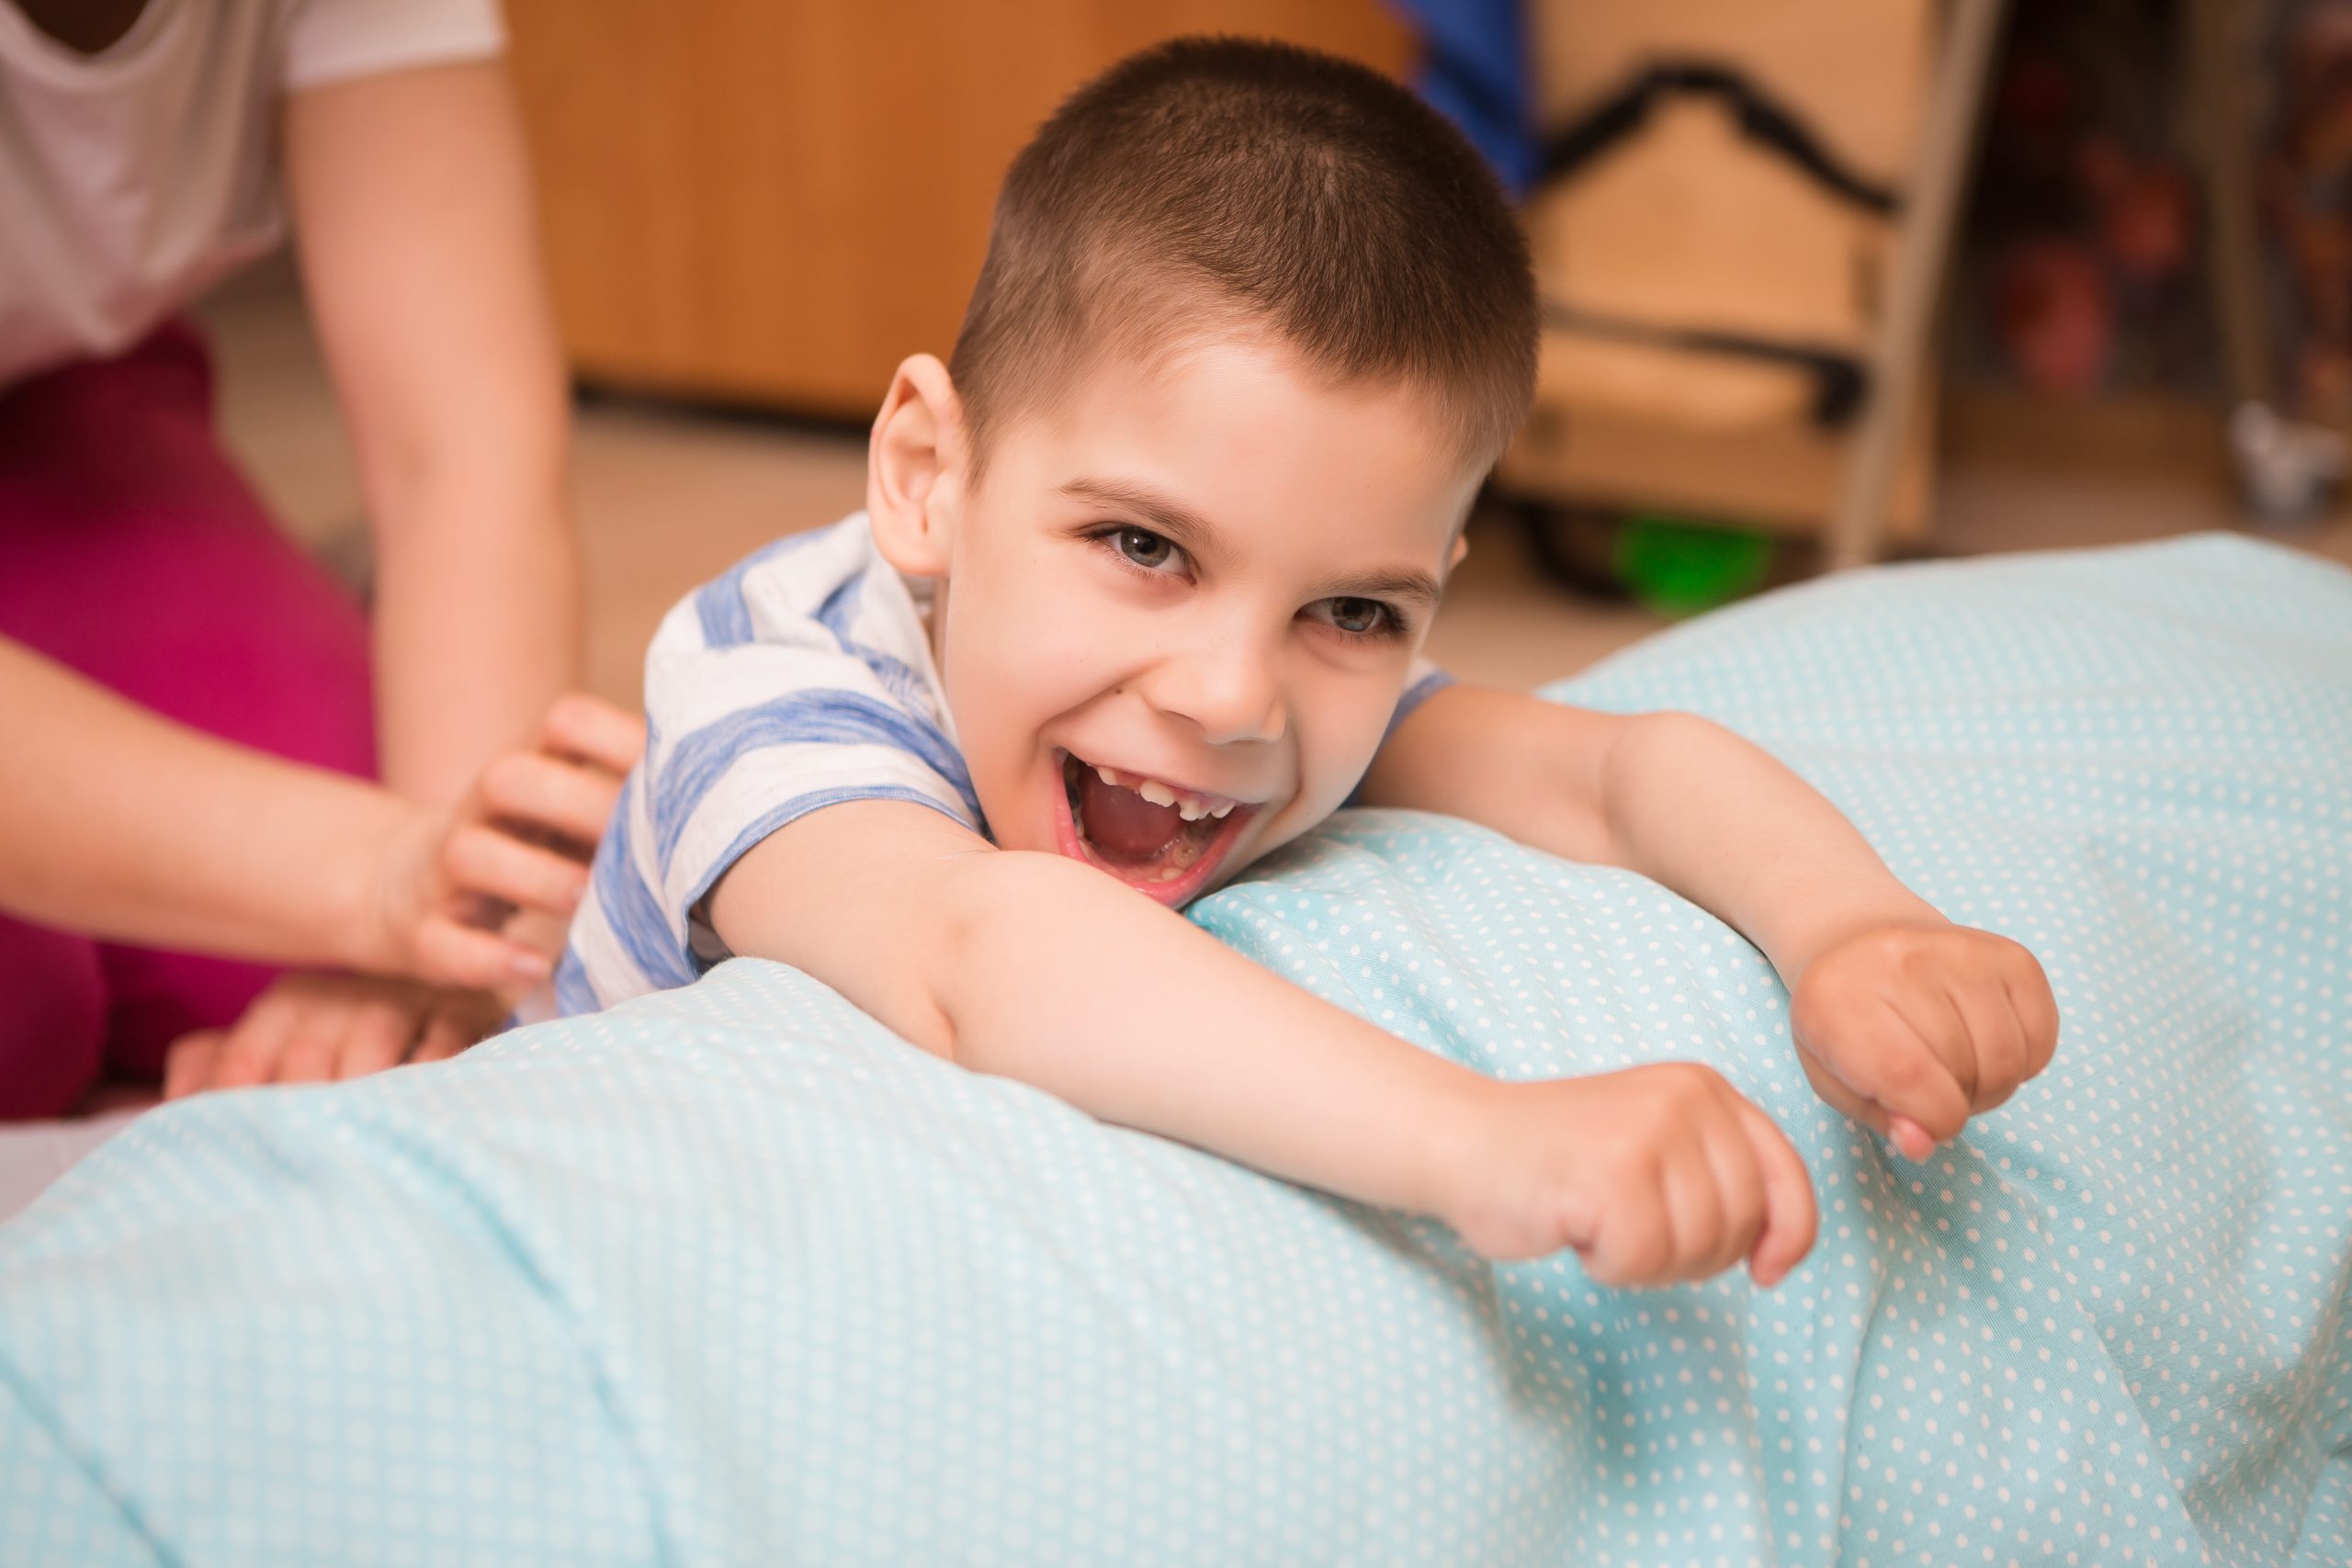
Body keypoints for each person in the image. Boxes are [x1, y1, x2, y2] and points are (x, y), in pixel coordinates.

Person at [560, 39, 2062, 1289]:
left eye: (1354, 613)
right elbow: (984, 957)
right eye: (1145, 547)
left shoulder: (1268, 684)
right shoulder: (766, 687)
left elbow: (1611, 774)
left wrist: (1853, 925)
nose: (1231, 698)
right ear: (926, 476)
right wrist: (1484, 1141)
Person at [1, 0, 584, 1114]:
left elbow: (460, 451)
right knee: (23, 1020)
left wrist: (451, 922)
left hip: (59, 407)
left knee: (295, 971)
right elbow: (371, 874)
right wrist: (374, 876)